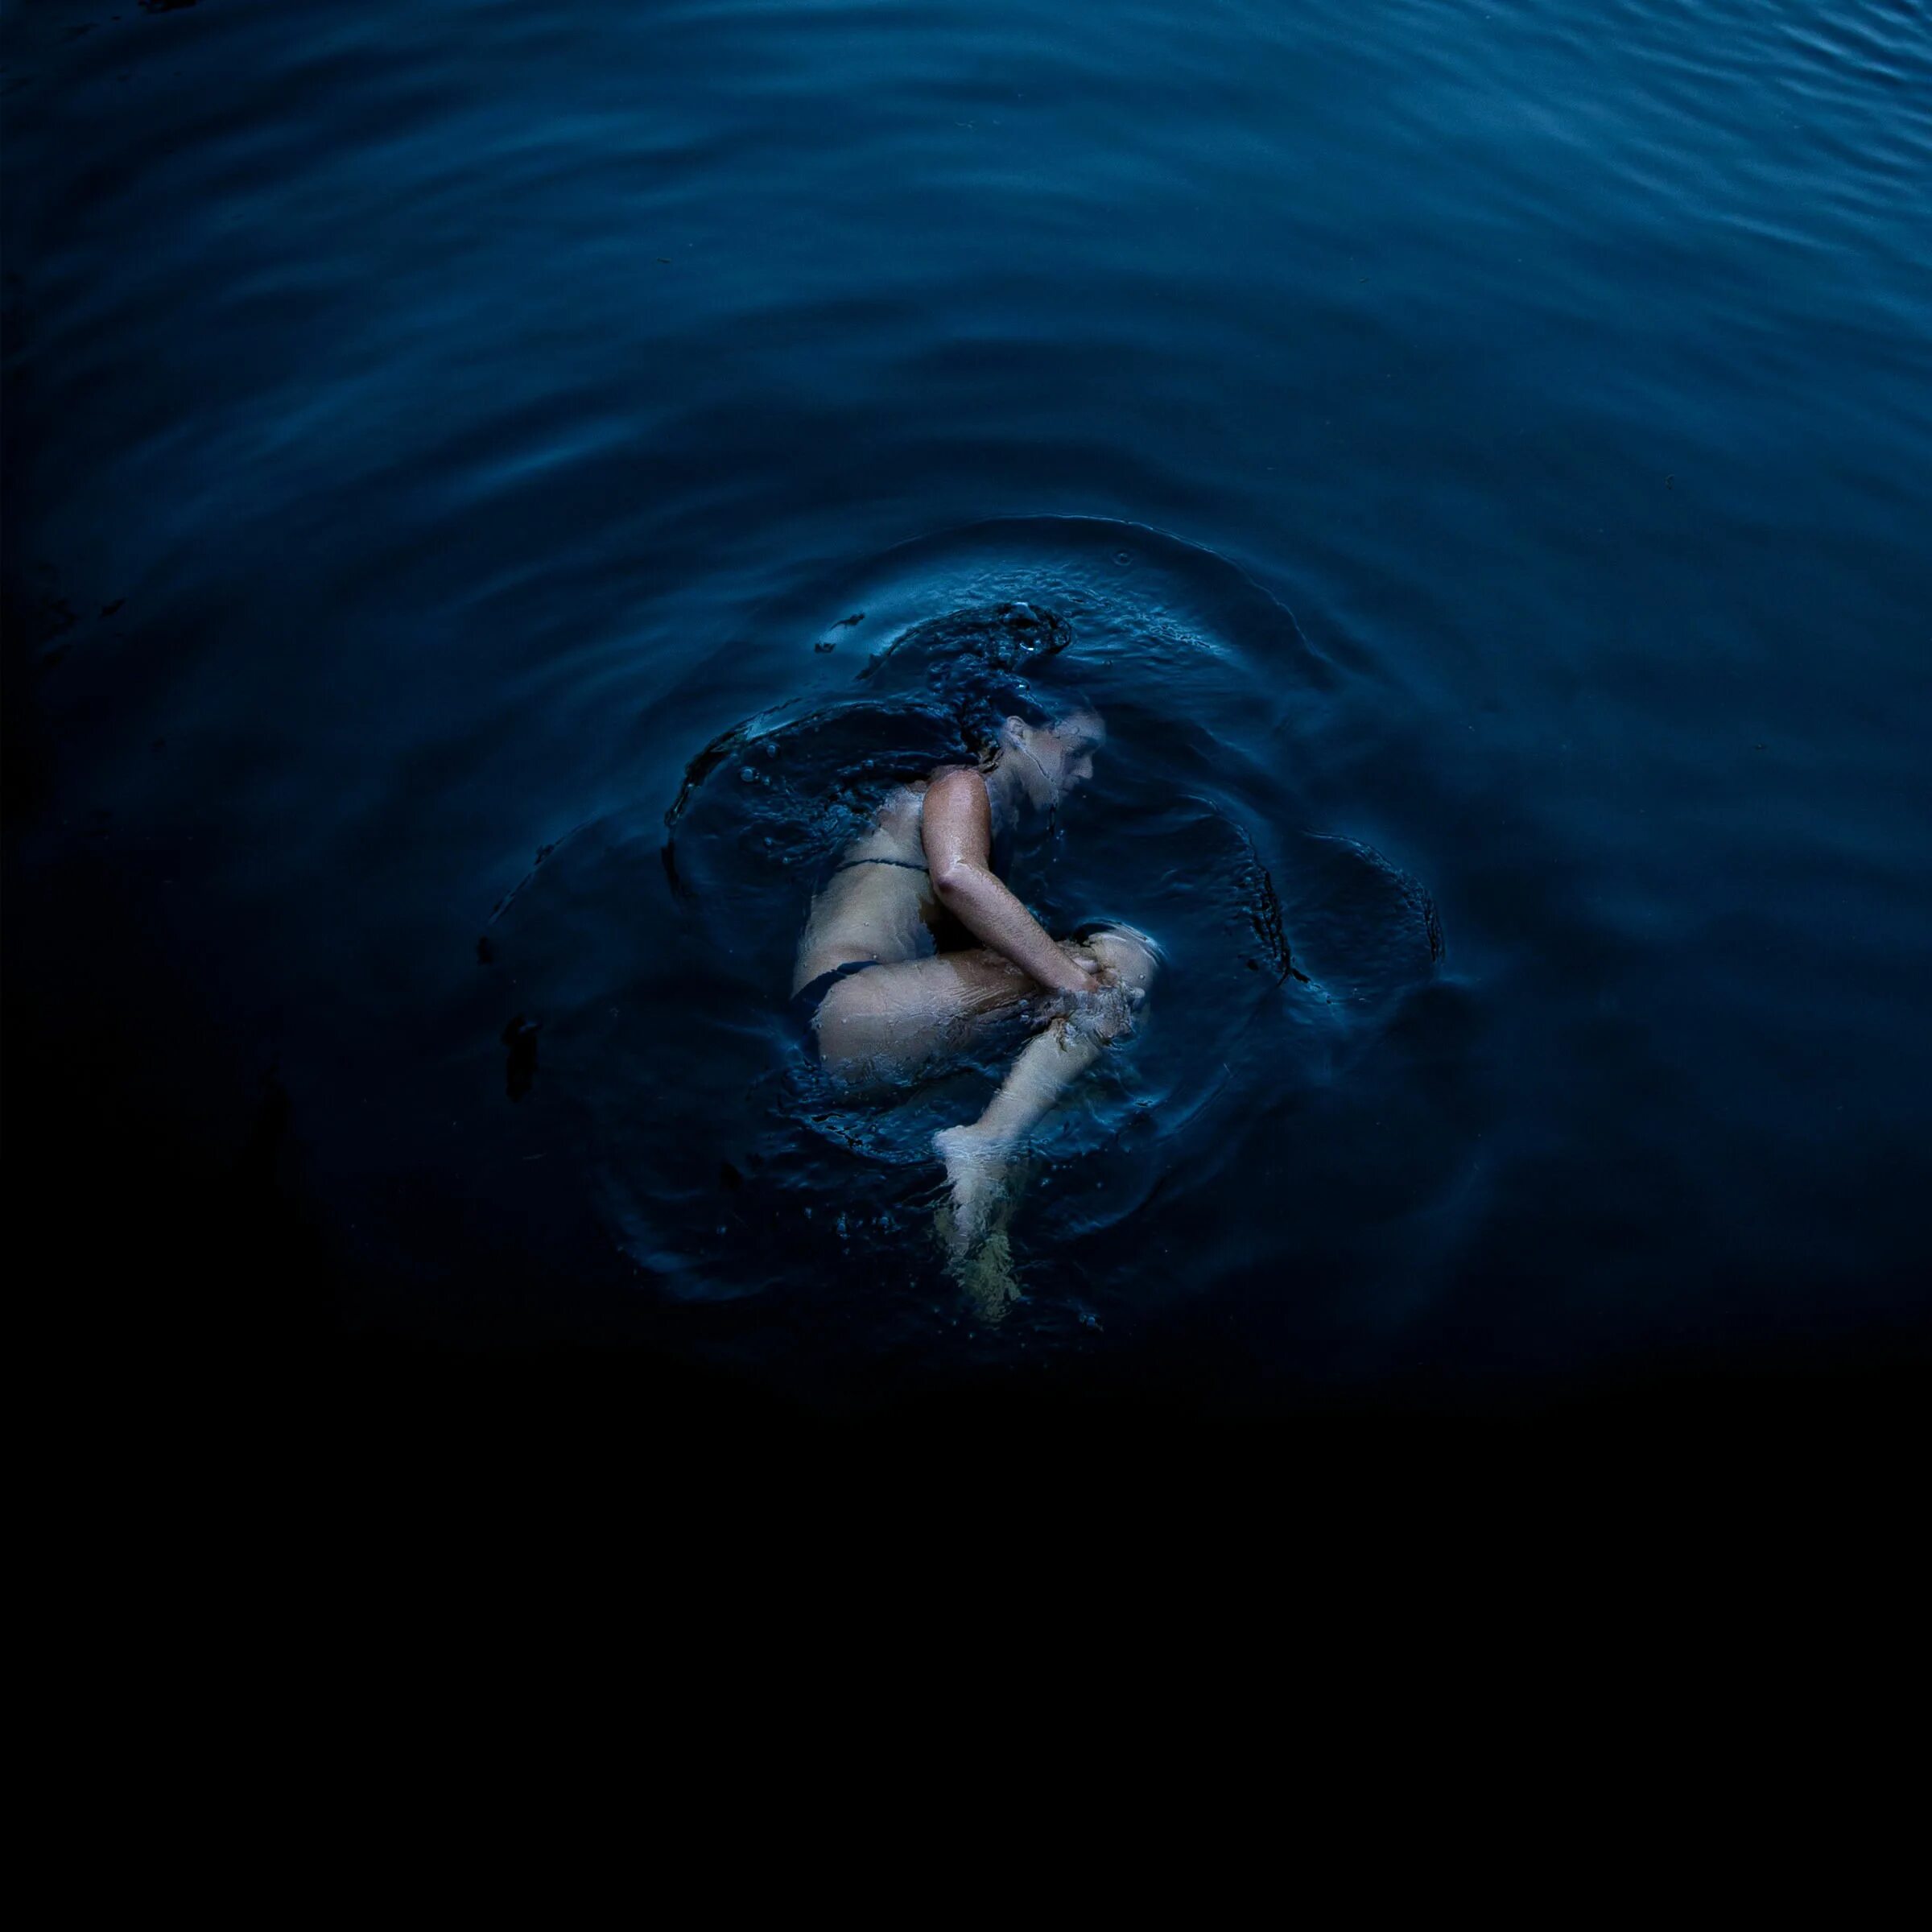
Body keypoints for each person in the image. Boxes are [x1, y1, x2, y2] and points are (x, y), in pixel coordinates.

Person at [790, 696, 1160, 1313]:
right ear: (1016, 731)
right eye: (1078, 751)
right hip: (849, 1002)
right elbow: (957, 877)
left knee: (1097, 1067)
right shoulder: (960, 783)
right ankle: (982, 1144)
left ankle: (980, 1229)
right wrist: (1073, 982)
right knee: (1125, 959)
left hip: (853, 1033)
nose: (1089, 774)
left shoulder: (996, 825)